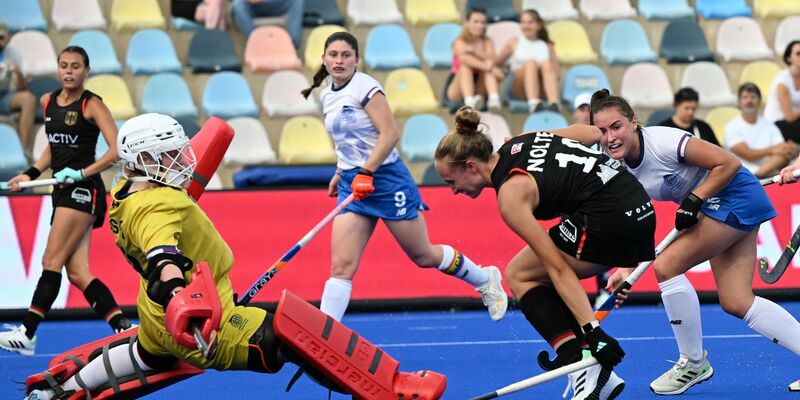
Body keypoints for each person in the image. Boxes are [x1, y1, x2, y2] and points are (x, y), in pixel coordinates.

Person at [23, 113, 446, 400]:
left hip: (155, 322)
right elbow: (162, 259)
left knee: (147, 353)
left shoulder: (125, 194)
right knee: (298, 331)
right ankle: (392, 386)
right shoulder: (157, 208)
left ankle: (62, 389)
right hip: (204, 324)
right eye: (171, 153)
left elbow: (164, 231)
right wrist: (180, 299)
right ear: (146, 161)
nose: (183, 158)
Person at [434, 106, 657, 399]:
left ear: (472, 166)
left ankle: (580, 366)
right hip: (641, 208)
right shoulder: (522, 140)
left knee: (520, 276)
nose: (452, 191)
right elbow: (591, 133)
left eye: (452, 182)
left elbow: (558, 269)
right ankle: (588, 367)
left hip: (612, 220)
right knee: (533, 269)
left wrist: (594, 331)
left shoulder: (511, 196)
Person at [588, 89, 800, 395]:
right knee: (736, 302)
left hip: (735, 195)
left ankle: (693, 362)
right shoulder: (618, 169)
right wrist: (625, 269)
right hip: (712, 206)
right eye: (602, 131)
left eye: (616, 126)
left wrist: (695, 198)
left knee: (667, 266)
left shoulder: (664, 142)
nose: (610, 138)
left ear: (634, 122)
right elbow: (635, 219)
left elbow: (727, 164)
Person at [300, 31, 508, 322]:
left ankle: (484, 278)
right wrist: (340, 171)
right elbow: (348, 141)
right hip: (353, 182)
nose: (339, 60)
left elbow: (390, 135)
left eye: (346, 55)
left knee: (423, 255)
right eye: (333, 55)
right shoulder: (327, 96)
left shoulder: (366, 88)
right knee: (341, 267)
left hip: (384, 179)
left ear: (356, 60)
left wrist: (366, 171)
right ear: (324, 59)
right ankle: (325, 334)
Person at [0, 46, 131, 356]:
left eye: (75, 66)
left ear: (86, 71)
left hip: (84, 189)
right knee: (78, 273)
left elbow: (116, 152)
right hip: (62, 189)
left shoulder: (92, 104)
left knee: (50, 261)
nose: (69, 71)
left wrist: (82, 171)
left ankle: (28, 333)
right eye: (64, 66)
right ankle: (123, 328)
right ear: (58, 70)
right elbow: (52, 147)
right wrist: (30, 174)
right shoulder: (48, 102)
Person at [724, 82, 798, 179]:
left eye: (753, 97)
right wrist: (772, 150)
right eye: (745, 97)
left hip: (771, 173)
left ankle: (759, 175)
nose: (749, 100)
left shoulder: (770, 126)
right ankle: (757, 176)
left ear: (759, 101)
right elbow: (747, 154)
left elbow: (782, 150)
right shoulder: (731, 127)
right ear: (739, 102)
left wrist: (791, 150)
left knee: (783, 156)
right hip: (741, 174)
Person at [495, 9, 560, 113]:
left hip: (541, 87)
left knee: (546, 64)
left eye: (530, 22)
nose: (526, 26)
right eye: (523, 22)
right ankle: (533, 103)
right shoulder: (514, 42)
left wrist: (541, 68)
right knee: (530, 64)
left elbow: (557, 74)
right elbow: (496, 63)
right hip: (518, 87)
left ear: (538, 25)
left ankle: (554, 102)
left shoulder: (547, 46)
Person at [445, 8, 503, 111]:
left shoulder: (487, 41)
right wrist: (488, 67)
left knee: (488, 69)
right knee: (466, 66)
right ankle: (469, 101)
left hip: (479, 86)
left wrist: (473, 51)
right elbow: (464, 59)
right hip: (459, 85)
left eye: (483, 22)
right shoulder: (460, 41)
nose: (480, 26)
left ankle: (494, 99)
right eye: (476, 22)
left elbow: (492, 59)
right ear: (466, 23)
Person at [0, 22, 36, 160]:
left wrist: (19, 74)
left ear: (7, 39)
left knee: (28, 99)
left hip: (4, 96)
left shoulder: (13, 54)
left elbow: (22, 88)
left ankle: (23, 151)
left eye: (2, 38)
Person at [764, 40, 800, 143]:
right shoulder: (782, 82)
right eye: (798, 54)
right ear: (789, 58)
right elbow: (789, 117)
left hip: (794, 120)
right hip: (777, 122)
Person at [231, 0, 304, 48]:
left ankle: (292, 45)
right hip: (250, 5)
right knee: (238, 4)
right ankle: (255, 44)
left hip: (274, 3)